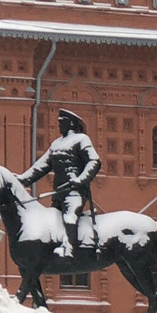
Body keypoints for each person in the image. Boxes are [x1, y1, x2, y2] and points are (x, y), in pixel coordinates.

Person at [20, 109, 101, 258]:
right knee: (53, 221)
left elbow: (94, 161)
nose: (59, 126)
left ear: (70, 124)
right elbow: (40, 166)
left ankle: (71, 250)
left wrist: (81, 180)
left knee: (70, 217)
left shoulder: (81, 139)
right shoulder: (56, 144)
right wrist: (21, 180)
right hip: (58, 192)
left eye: (61, 123)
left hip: (74, 190)